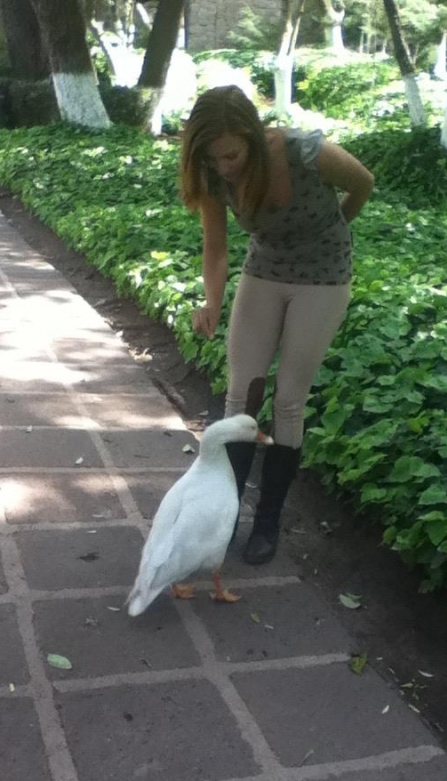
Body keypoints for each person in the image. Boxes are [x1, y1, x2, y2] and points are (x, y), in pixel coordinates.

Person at [180, 85, 374, 565]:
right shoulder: (211, 172)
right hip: (263, 271)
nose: (224, 165)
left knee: (288, 400)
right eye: (213, 156)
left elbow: (363, 182)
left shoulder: (301, 149)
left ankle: (267, 522)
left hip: (323, 277)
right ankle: (225, 517)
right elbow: (217, 248)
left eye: (231, 154)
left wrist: (334, 231)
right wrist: (211, 301)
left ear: (252, 136)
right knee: (241, 393)